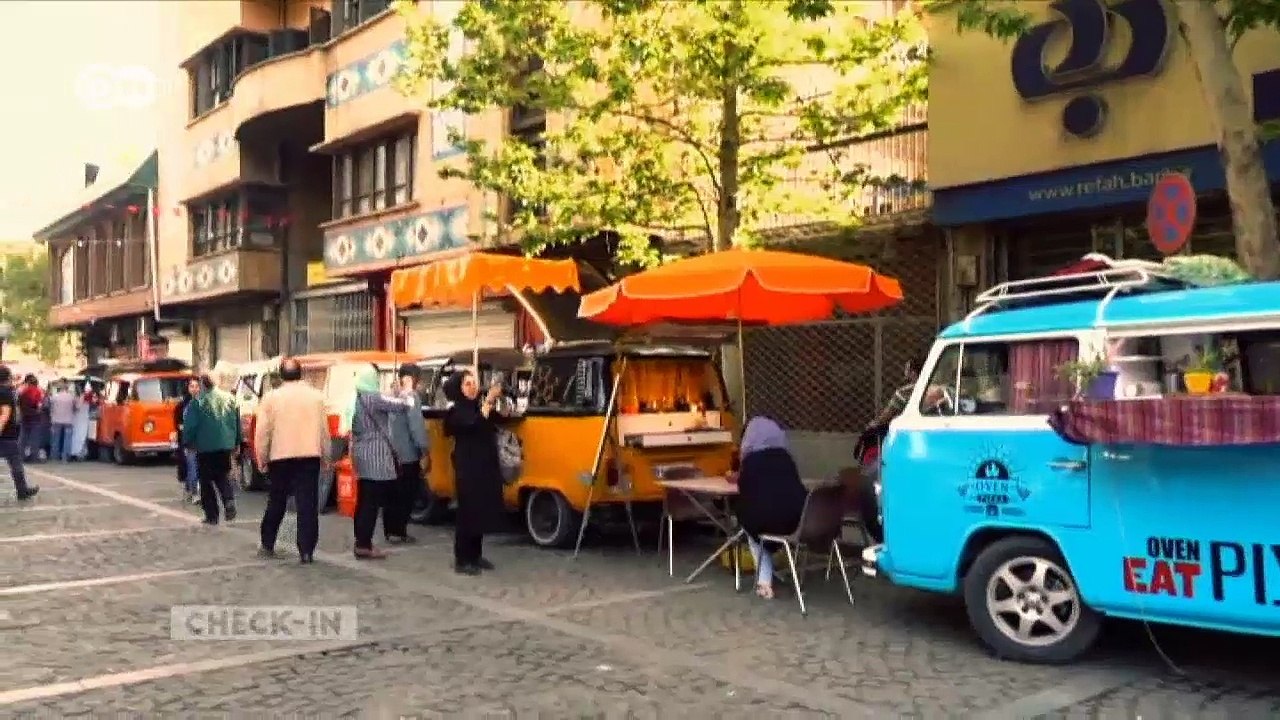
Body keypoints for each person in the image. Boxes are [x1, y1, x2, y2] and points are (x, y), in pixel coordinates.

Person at [254, 357, 331, 564]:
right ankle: (306, 551)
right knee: (307, 504)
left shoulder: (271, 398)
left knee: (276, 501)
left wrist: (261, 456)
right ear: (301, 373)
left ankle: (268, 542)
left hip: (280, 456)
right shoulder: (316, 397)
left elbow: (263, 431)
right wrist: (326, 454)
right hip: (309, 455)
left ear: (281, 375)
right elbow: (324, 430)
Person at [733, 416, 806, 600]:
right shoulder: (787, 459)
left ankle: (764, 582)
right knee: (758, 518)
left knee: (751, 525)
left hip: (768, 523)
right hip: (798, 522)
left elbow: (745, 494)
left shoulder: (750, 463)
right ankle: (774, 576)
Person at [443, 370, 506, 575]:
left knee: (480, 510)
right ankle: (463, 559)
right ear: (459, 389)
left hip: (485, 465)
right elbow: (473, 423)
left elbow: (495, 420)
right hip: (468, 467)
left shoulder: (476, 406)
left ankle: (476, 555)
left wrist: (495, 401)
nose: (472, 387)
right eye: (467, 384)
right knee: (467, 512)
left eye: (474, 383)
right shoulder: (457, 411)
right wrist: (487, 403)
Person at [348, 366, 412, 559]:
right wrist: (406, 390)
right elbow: (404, 405)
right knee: (371, 502)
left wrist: (393, 393)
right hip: (376, 456)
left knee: (365, 500)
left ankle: (361, 541)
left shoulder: (357, 398)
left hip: (361, 453)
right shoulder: (373, 398)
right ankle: (364, 544)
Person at [183, 369, 241, 525]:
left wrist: (188, 442)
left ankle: (212, 514)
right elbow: (236, 422)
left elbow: (191, 426)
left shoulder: (198, 402)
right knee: (222, 475)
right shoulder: (230, 398)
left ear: (202, 384)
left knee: (206, 481)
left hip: (205, 445)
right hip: (225, 444)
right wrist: (237, 442)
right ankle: (228, 500)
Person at [384, 365, 430, 545]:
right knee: (406, 493)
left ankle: (389, 529)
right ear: (412, 378)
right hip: (408, 454)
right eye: (418, 378)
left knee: (393, 493)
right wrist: (424, 449)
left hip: (391, 453)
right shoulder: (411, 397)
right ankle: (399, 530)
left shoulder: (390, 395)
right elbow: (416, 426)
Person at [0, 366, 37, 500]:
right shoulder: (5, 393)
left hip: (7, 434)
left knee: (16, 463)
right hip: (7, 435)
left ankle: (22, 490)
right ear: (7, 378)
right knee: (16, 464)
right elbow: (5, 414)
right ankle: (22, 490)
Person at [174, 377, 201, 504]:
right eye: (192, 386)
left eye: (197, 386)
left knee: (199, 468)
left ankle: (191, 489)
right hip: (189, 442)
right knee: (192, 467)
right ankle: (194, 492)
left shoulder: (204, 402)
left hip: (203, 441)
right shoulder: (182, 405)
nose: (195, 389)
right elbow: (179, 425)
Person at [18, 375, 44, 461]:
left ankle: (21, 455)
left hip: (25, 416)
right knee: (34, 438)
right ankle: (34, 456)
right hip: (35, 417)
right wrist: (38, 411)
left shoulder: (23, 391)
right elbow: (39, 405)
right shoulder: (38, 391)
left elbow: (19, 403)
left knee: (23, 438)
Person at [48, 384, 75, 462]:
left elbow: (51, 407)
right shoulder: (71, 397)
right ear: (67, 388)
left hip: (56, 420)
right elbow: (76, 407)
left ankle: (54, 456)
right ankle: (65, 457)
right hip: (68, 421)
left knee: (55, 438)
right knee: (67, 439)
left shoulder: (55, 397)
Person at [69, 385, 92, 461]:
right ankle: (79, 453)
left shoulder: (81, 398)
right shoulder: (84, 398)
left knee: (79, 436)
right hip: (82, 419)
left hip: (79, 419)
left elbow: (77, 407)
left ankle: (77, 453)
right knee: (80, 436)